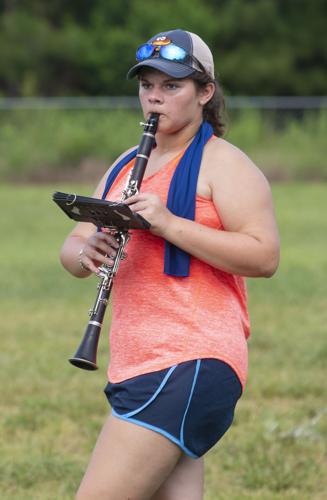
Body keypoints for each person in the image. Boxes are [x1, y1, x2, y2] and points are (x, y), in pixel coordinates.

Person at [60, 29, 280, 500]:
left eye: (172, 86)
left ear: (205, 92)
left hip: (190, 360)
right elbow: (73, 247)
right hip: (137, 363)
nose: (155, 98)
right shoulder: (124, 165)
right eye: (147, 86)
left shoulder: (225, 165)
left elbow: (265, 256)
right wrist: (86, 253)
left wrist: (170, 224)